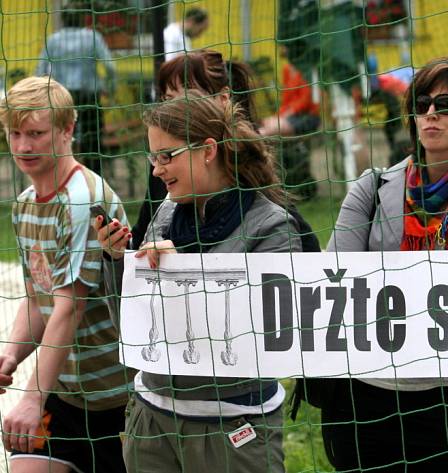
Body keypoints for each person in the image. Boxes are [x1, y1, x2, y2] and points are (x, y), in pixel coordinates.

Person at [324, 59, 448, 472]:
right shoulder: (371, 186)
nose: (431, 113)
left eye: (447, 104)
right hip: (367, 391)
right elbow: (337, 277)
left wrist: (380, 275)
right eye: (422, 103)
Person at [95, 90, 299, 472]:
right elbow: (134, 323)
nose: (156, 169)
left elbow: (265, 333)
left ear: (207, 149)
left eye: (166, 156)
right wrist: (115, 260)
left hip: (231, 423)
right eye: (153, 157)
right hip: (151, 417)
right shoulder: (167, 212)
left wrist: (180, 273)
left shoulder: (272, 225)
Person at [0, 76, 135, 473]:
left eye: (37, 133)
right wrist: (11, 354)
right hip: (67, 393)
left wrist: (30, 397)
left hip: (120, 399)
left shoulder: (82, 200)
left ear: (67, 130)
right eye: (15, 133)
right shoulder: (25, 204)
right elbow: (38, 298)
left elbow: (69, 308)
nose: (24, 146)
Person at [131, 49, 260, 250]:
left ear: (223, 98)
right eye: (168, 98)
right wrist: (118, 254)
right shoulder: (165, 166)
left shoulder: (251, 170)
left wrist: (179, 267)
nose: (175, 108)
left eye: (188, 96)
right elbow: (140, 241)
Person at [35, 4, 115, 174]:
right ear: (81, 18)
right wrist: (110, 88)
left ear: (63, 19)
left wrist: (42, 95)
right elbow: (111, 67)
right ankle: (95, 182)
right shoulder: (92, 37)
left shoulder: (54, 40)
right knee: (93, 143)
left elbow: (40, 70)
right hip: (89, 97)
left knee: (60, 138)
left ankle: (62, 178)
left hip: (61, 98)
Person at [259, 46, 320, 138]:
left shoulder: (307, 70)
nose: (283, 50)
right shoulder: (286, 69)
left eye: (286, 47)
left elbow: (305, 101)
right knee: (267, 123)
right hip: (291, 115)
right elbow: (286, 100)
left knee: (270, 129)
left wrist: (288, 113)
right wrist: (279, 115)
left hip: (307, 116)